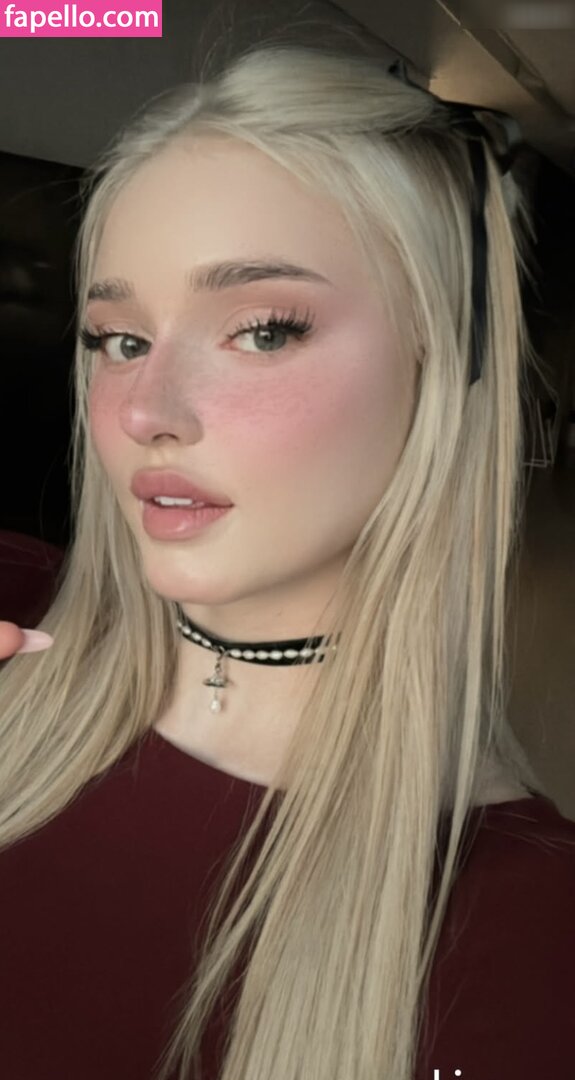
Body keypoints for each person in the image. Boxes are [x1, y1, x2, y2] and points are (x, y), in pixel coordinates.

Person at [0, 40, 574, 1080]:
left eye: (262, 330)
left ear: (437, 366)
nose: (146, 411)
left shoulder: (527, 932)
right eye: (119, 339)